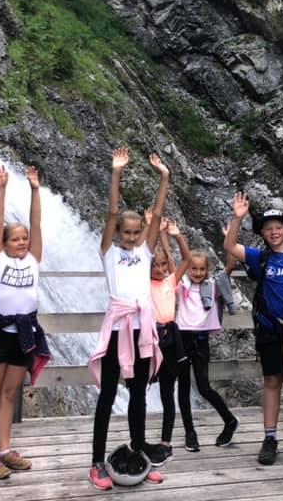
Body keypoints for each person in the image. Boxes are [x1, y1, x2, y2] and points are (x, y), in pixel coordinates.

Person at [87, 148, 168, 490]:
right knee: (107, 395)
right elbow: (111, 212)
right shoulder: (109, 253)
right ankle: (97, 462)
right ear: (118, 232)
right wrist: (116, 173)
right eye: (127, 232)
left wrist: (164, 176)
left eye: (137, 232)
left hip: (141, 332)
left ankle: (139, 454)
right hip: (118, 329)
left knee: (138, 395)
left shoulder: (145, 252)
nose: (132, 237)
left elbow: (158, 212)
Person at [0, 165, 51, 480]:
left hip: (24, 335)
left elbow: (36, 223)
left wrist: (35, 190)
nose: (22, 242)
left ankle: (4, 449)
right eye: (15, 239)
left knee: (9, 394)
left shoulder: (33, 260)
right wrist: (0, 190)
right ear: (3, 244)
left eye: (24, 238)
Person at [223, 189, 283, 467]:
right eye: (268, 229)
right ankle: (270, 438)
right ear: (263, 234)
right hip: (269, 328)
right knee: (272, 381)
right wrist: (237, 218)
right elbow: (230, 246)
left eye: (278, 227)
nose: (274, 232)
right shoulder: (260, 257)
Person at [171, 228, 239, 451]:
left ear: (206, 270)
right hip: (181, 339)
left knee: (204, 387)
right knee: (182, 387)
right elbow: (172, 264)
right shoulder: (181, 285)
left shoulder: (212, 286)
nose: (198, 273)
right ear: (187, 268)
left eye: (202, 269)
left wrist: (228, 238)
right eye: (194, 268)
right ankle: (190, 432)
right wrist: (169, 235)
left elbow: (229, 268)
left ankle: (230, 420)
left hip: (200, 341)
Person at [149, 217, 191, 458]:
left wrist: (176, 235)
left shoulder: (169, 281)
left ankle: (166, 440)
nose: (160, 269)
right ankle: (139, 437)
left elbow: (186, 259)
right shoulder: (143, 283)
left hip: (170, 341)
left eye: (163, 264)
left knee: (167, 392)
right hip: (150, 340)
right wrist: (152, 228)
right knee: (141, 389)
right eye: (155, 265)